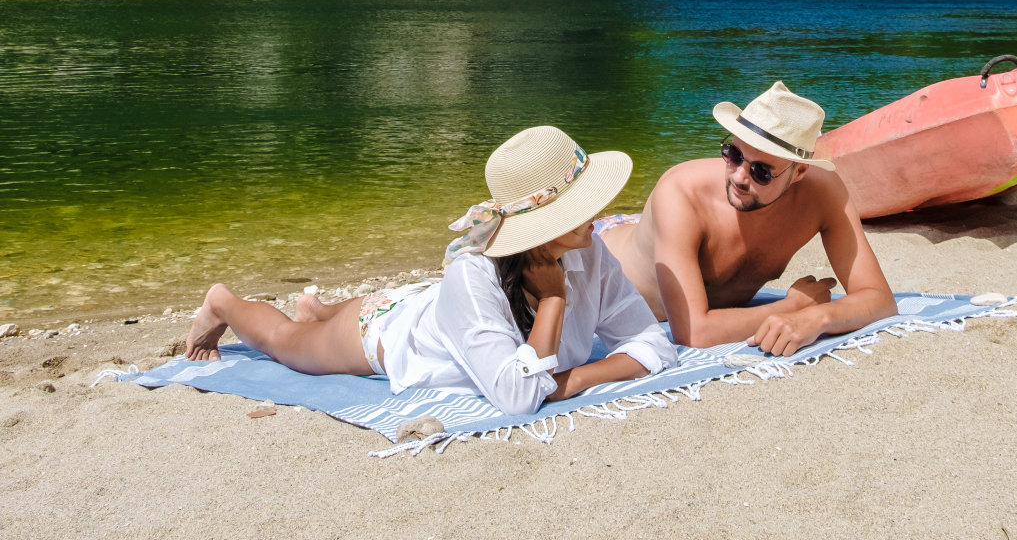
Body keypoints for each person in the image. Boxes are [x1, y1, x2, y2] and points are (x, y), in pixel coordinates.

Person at [183, 126, 676, 419]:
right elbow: (520, 398)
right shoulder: (472, 276)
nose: (601, 214)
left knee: (373, 310)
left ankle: (320, 307)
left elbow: (654, 344)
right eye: (580, 205)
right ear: (542, 228)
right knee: (286, 343)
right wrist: (553, 301)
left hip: (439, 309)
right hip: (390, 334)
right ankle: (223, 301)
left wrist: (569, 379)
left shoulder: (589, 253)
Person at [600, 81, 895, 355]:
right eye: (733, 154)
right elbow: (693, 333)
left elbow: (879, 299)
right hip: (600, 263)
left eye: (761, 172)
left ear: (800, 173)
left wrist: (818, 318)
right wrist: (791, 306)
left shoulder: (823, 194)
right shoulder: (681, 193)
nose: (740, 177)